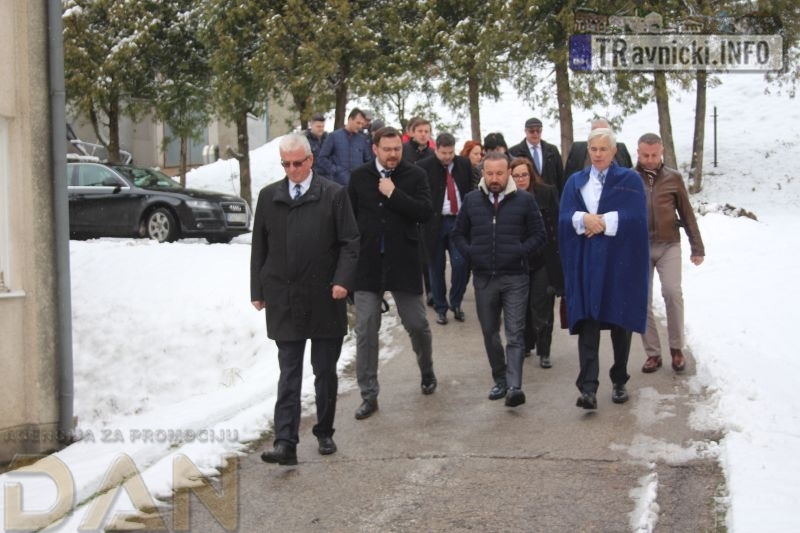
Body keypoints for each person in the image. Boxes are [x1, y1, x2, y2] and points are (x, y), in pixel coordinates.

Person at [250, 133, 360, 465]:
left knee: (324, 370)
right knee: (289, 372)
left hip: (325, 295)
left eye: (298, 163)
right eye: (286, 164)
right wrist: (257, 290)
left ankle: (324, 431)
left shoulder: (334, 194)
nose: (293, 170)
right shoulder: (269, 196)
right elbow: (259, 246)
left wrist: (342, 281)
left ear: (311, 160)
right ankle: (285, 442)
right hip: (284, 296)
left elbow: (350, 242)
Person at [348, 126, 436, 420]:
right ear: (375, 149)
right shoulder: (359, 177)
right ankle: (368, 395)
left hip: (404, 262)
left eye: (397, 149)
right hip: (368, 264)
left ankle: (426, 370)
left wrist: (394, 194)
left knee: (417, 324)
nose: (393, 154)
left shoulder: (415, 175)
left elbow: (425, 212)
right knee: (366, 330)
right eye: (387, 149)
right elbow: (348, 221)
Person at [558, 128, 649, 410]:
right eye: (593, 149)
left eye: (603, 149)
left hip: (619, 263)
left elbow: (637, 217)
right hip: (587, 263)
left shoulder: (629, 181)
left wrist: (604, 222)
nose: (598, 154)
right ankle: (588, 388)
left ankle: (619, 379)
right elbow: (564, 216)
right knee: (588, 321)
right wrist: (583, 219)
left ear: (613, 152)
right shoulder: (576, 181)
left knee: (620, 321)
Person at [452, 152, 547, 407]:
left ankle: (515, 386)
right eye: (490, 173)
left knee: (515, 333)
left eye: (499, 173)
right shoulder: (472, 200)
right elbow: (458, 234)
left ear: (508, 173)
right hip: (484, 278)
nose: (495, 178)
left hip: (515, 277)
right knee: (490, 332)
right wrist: (472, 253)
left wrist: (520, 251)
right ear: (483, 173)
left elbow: (539, 235)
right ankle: (501, 379)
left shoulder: (525, 200)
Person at [636, 133, 705, 374]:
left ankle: (677, 349)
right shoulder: (630, 178)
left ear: (662, 152)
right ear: (638, 153)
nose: (650, 159)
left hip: (669, 244)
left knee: (672, 292)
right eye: (645, 155)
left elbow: (687, 213)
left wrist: (697, 247)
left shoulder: (673, 178)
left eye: (654, 155)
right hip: (639, 246)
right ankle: (653, 353)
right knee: (641, 298)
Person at [509, 157, 563, 369]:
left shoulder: (546, 193)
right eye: (516, 176)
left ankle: (544, 350)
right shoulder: (506, 196)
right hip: (517, 259)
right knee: (520, 306)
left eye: (524, 175)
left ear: (531, 175)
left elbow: (557, 224)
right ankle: (525, 344)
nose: (521, 179)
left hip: (543, 258)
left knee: (542, 306)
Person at [418, 133, 473, 325]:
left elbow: (470, 190)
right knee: (436, 267)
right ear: (436, 149)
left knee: (461, 263)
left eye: (451, 152)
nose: (448, 157)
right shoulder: (424, 167)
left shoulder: (463, 164)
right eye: (444, 153)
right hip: (434, 223)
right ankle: (440, 308)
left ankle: (456, 303)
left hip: (458, 222)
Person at [564, 118, 633, 184]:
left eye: (603, 133)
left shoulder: (621, 148)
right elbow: (568, 175)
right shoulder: (577, 149)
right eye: (595, 133)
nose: (598, 154)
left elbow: (629, 170)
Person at [317, 107, 374, 186]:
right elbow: (322, 158)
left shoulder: (362, 140)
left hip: (357, 184)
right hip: (337, 185)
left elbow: (368, 161)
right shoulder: (334, 136)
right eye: (358, 123)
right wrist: (335, 170)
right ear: (350, 119)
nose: (360, 126)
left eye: (362, 124)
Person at [508, 117, 565, 192]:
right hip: (526, 194)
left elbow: (560, 177)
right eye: (532, 131)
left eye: (538, 131)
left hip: (551, 195)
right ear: (526, 131)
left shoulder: (552, 150)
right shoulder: (514, 152)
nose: (535, 134)